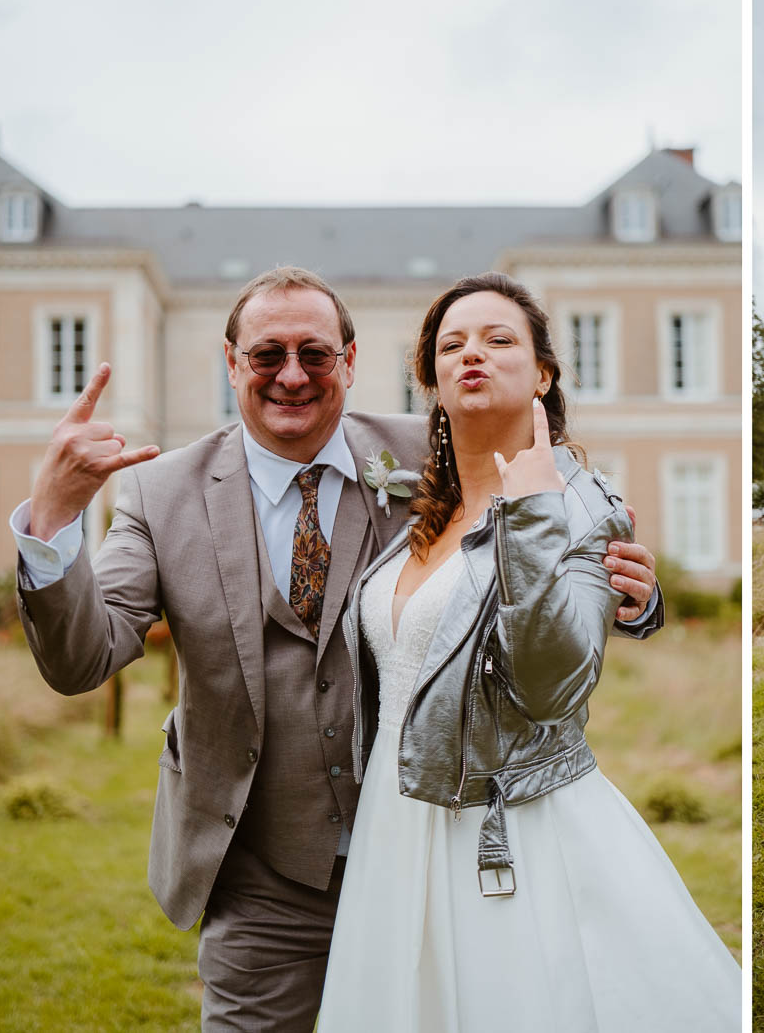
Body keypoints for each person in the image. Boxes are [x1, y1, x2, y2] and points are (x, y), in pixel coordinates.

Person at [11, 266, 663, 1031]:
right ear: (232, 364)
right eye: (267, 355)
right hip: (262, 880)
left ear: (350, 363)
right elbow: (82, 657)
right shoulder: (162, 494)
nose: (292, 375)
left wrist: (636, 600)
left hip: (430, 850)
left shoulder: (433, 448)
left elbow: (546, 515)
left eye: (315, 354)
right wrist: (52, 524)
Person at [315, 274, 741, 1030]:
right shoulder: (420, 505)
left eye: (498, 338)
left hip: (507, 824)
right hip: (394, 814)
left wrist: (536, 513)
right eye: (452, 345)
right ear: (434, 383)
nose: (472, 353)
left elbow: (552, 686)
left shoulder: (581, 502)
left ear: (543, 371)